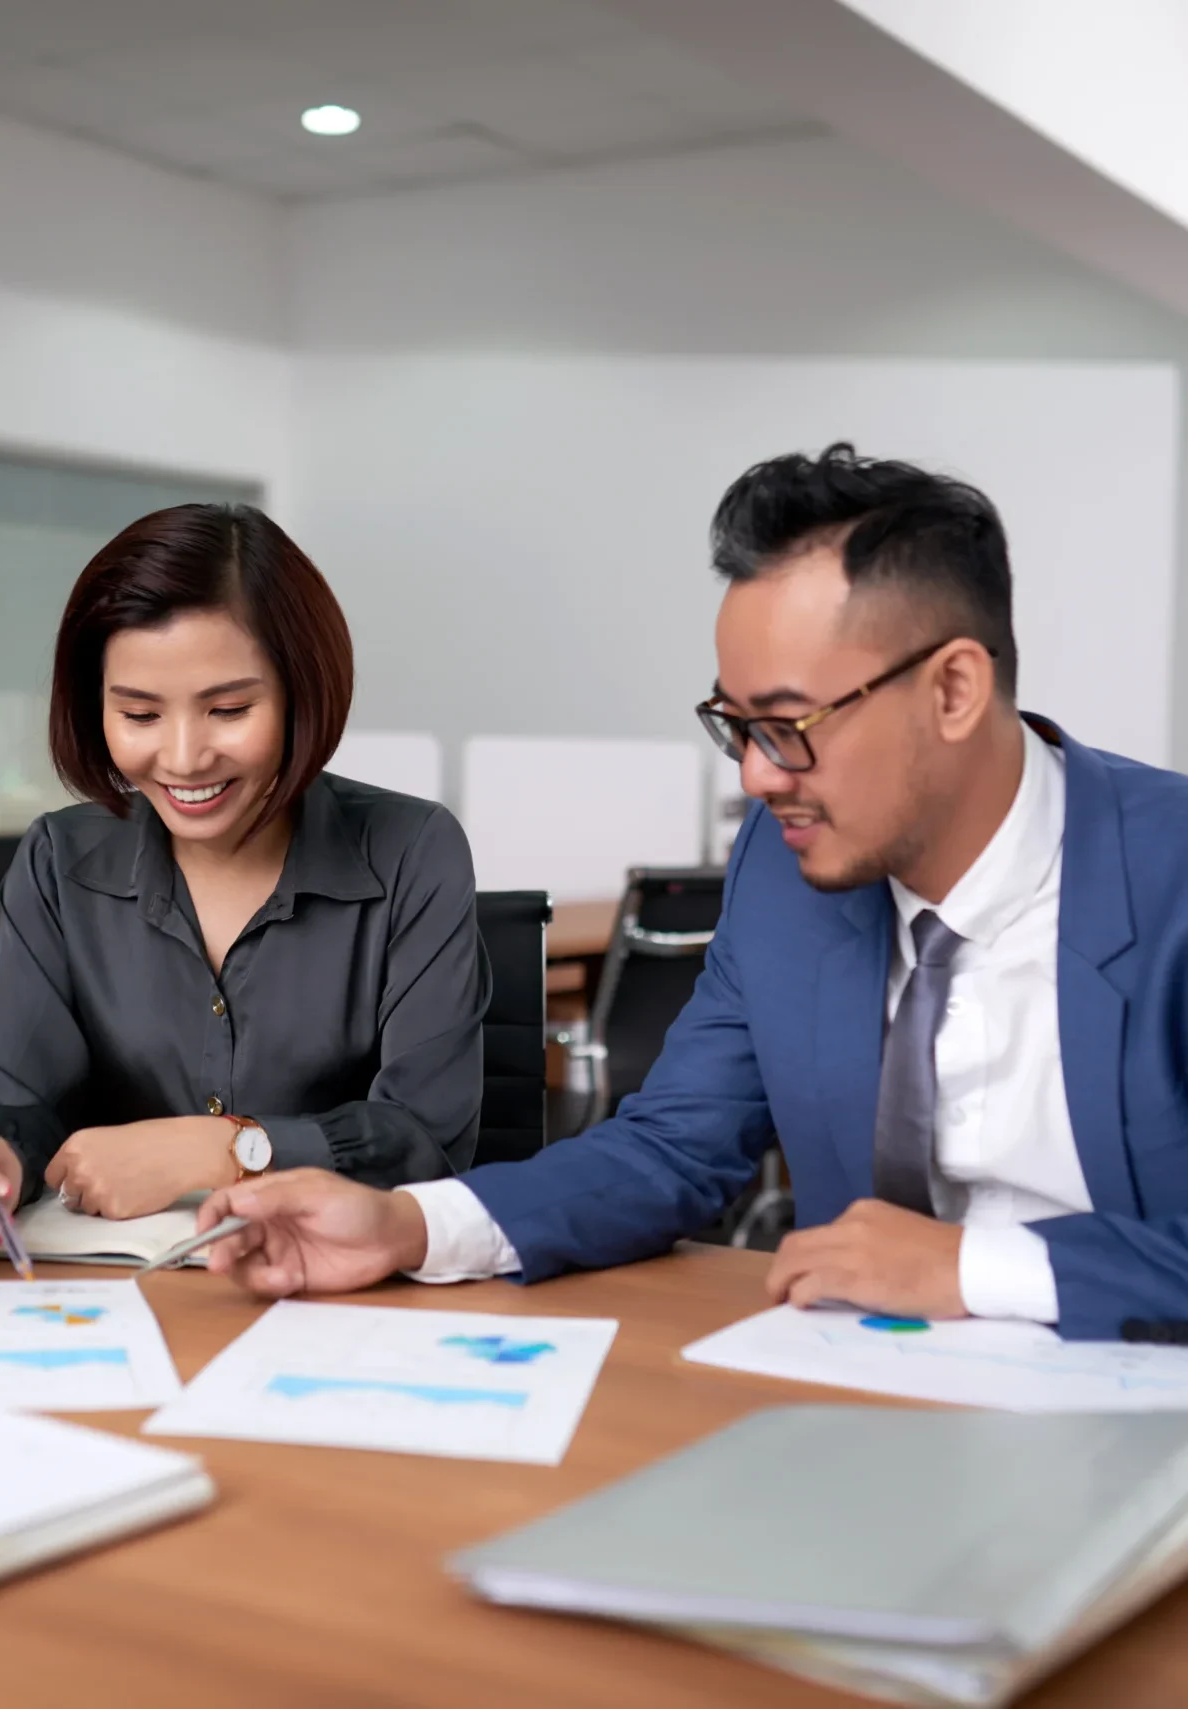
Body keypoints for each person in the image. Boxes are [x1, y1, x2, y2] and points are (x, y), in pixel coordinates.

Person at [193, 443, 1188, 1342]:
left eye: (788, 723)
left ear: (953, 689)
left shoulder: (1166, 875)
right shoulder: (785, 866)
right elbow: (670, 1148)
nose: (754, 778)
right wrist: (405, 1222)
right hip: (882, 1413)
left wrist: (967, 1265)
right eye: (735, 724)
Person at [0, 503, 487, 1258]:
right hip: (110, 1299)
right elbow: (8, 1099)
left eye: (228, 709)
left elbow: (427, 1139)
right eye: (139, 713)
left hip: (339, 1296)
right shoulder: (60, 862)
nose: (182, 758)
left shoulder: (413, 851)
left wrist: (225, 1147)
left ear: (300, 691)